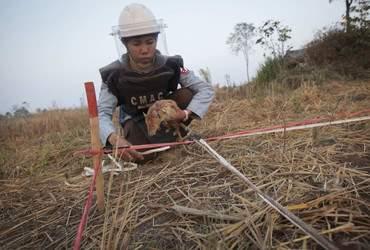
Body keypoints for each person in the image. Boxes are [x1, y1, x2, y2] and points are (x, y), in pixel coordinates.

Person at [98, 3, 214, 162]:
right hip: (135, 119)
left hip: (165, 116)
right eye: (136, 44)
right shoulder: (113, 75)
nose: (144, 49)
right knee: (143, 157)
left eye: (150, 42)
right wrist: (113, 139)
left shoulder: (171, 65)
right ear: (125, 44)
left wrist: (184, 113)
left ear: (157, 40)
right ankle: (150, 144)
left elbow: (204, 89)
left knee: (187, 94)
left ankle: (175, 136)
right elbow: (103, 113)